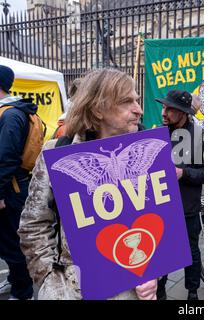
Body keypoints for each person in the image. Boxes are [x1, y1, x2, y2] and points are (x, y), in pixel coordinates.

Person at [17, 68, 157, 300]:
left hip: (130, 290)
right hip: (73, 289)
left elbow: (157, 223)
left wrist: (152, 273)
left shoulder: (147, 153)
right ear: (98, 109)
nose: (139, 109)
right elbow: (33, 225)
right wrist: (51, 281)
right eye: (126, 101)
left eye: (137, 100)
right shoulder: (58, 153)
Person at [155, 90, 204, 300]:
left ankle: (192, 291)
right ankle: (160, 288)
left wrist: (184, 173)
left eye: (170, 109)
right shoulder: (158, 133)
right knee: (161, 252)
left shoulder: (200, 137)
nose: (164, 112)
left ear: (183, 113)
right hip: (160, 206)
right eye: (164, 107)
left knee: (190, 251)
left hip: (187, 207)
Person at [0, 65, 35, 300]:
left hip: (11, 189)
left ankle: (23, 292)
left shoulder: (11, 114)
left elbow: (6, 157)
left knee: (13, 244)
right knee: (10, 242)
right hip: (12, 186)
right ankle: (15, 281)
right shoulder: (13, 111)